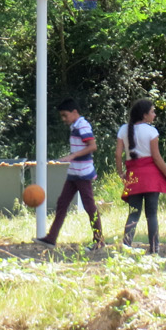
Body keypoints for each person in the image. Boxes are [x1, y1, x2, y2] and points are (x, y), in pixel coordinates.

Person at [35, 99, 104, 249]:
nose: (63, 119)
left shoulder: (83, 126)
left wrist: (71, 156)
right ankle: (51, 238)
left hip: (83, 173)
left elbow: (92, 146)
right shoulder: (75, 126)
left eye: (65, 115)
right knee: (62, 203)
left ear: (74, 112)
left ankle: (99, 240)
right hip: (74, 172)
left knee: (89, 206)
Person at [115, 99, 166, 255]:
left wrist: (120, 172)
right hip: (151, 177)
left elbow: (117, 154)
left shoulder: (123, 130)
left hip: (133, 176)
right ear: (144, 115)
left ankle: (126, 246)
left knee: (134, 212)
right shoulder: (151, 132)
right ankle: (154, 248)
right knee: (152, 214)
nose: (154, 115)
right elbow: (156, 157)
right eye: (152, 112)